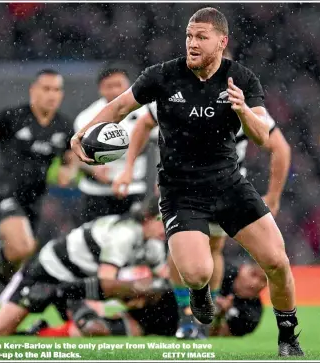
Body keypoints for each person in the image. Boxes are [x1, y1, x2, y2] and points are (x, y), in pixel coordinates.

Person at [70, 7, 303, 357]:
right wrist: (82, 134)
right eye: (189, 36)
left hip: (229, 186)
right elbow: (119, 108)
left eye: (201, 37)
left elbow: (263, 140)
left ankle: (288, 337)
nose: (192, 43)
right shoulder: (163, 76)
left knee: (277, 261)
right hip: (180, 192)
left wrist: (241, 110)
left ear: (221, 42)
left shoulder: (242, 79)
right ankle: (195, 300)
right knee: (196, 272)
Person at [112, 48, 291, 340]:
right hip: (181, 188)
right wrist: (128, 168)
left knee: (215, 250)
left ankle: (202, 320)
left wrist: (274, 196)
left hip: (224, 188)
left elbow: (279, 147)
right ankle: (186, 317)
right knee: (179, 252)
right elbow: (143, 123)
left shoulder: (240, 96)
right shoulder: (176, 90)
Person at [0, 196, 167, 337]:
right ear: (147, 218)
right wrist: (134, 292)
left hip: (75, 285)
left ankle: (40, 332)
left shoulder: (153, 246)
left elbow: (163, 281)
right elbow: (106, 283)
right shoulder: (125, 234)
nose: (165, 228)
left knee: (93, 328)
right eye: (162, 221)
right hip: (45, 274)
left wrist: (148, 293)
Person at [0, 69, 75, 309]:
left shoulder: (64, 126)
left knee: (17, 259)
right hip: (5, 193)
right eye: (46, 89)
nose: (51, 95)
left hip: (35, 202)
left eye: (56, 90)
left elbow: (70, 158)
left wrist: (68, 170)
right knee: (24, 247)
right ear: (33, 90)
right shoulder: (13, 117)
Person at [25, 260, 267, 339]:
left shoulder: (252, 313)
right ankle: (60, 290)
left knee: (93, 329)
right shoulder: (221, 270)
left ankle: (40, 332)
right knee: (139, 287)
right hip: (160, 297)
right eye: (254, 274)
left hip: (159, 326)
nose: (255, 283)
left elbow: (217, 333)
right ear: (244, 267)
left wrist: (219, 314)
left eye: (262, 282)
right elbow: (183, 268)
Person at [72, 67, 158, 224]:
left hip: (133, 188)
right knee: (95, 242)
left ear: (130, 86)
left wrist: (160, 180)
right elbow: (74, 156)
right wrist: (92, 169)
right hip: (96, 191)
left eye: (119, 85)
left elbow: (161, 145)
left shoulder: (146, 113)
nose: (114, 90)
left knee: (133, 238)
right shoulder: (86, 118)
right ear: (100, 89)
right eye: (109, 86)